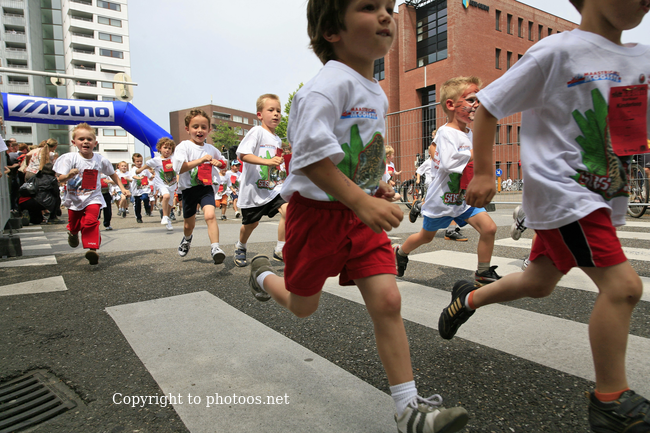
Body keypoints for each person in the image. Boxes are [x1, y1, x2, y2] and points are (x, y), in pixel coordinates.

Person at [247, 2, 469, 433]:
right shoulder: (323, 89)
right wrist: (362, 201)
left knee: (388, 301)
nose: (386, 15)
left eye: (388, 6)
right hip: (317, 216)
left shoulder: (376, 91)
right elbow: (311, 159)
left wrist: (375, 185)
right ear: (332, 30)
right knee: (303, 306)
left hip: (358, 215)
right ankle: (263, 275)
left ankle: (408, 410)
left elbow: (359, 152)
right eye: (369, 7)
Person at [438, 0, 650, 430]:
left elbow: (631, 130)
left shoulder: (640, 58)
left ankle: (468, 297)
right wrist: (484, 171)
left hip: (603, 193)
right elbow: (490, 105)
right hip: (566, 194)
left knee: (538, 283)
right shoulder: (558, 52)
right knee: (624, 288)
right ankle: (610, 399)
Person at [393, 77, 499, 285]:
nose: (476, 105)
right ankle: (400, 252)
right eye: (471, 100)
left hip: (464, 200)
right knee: (425, 237)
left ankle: (483, 271)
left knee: (489, 228)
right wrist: (478, 151)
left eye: (478, 100)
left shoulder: (470, 133)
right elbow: (449, 163)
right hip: (442, 201)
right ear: (450, 105)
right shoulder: (445, 132)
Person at [53, 123, 130, 265]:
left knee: (91, 221)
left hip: (93, 197)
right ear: (74, 142)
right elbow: (60, 179)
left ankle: (92, 249)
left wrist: (122, 188)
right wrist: (68, 175)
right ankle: (73, 233)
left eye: (89, 139)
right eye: (81, 139)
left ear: (95, 143)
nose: (85, 142)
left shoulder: (100, 160)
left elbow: (113, 174)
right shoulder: (69, 158)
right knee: (75, 225)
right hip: (75, 199)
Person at [233, 94, 288, 266]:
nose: (276, 113)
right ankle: (240, 246)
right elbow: (243, 154)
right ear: (259, 115)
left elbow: (275, 163)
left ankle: (280, 248)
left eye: (278, 110)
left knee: (289, 211)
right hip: (254, 190)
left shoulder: (277, 139)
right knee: (251, 224)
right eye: (271, 110)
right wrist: (267, 161)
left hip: (273, 188)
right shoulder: (256, 131)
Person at [171, 108, 227, 263]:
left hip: (206, 187)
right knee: (189, 225)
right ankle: (187, 239)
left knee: (210, 215)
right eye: (195, 127)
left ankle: (215, 248)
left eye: (203, 127)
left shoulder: (211, 149)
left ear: (209, 130)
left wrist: (219, 163)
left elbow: (224, 163)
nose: (199, 130)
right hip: (189, 189)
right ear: (187, 129)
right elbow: (179, 168)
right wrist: (201, 160)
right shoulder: (184, 146)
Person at [143, 137, 178, 231]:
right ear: (160, 148)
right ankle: (165, 216)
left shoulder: (174, 159)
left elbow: (181, 164)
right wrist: (139, 170)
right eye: (165, 147)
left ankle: (167, 219)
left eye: (169, 148)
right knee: (166, 196)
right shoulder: (156, 160)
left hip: (172, 184)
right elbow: (147, 164)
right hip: (161, 184)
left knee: (170, 204)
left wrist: (172, 165)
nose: (167, 150)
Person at [129, 153, 152, 223]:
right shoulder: (134, 169)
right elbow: (133, 176)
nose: (139, 163)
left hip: (144, 189)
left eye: (141, 161)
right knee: (137, 204)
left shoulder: (145, 170)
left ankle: (147, 208)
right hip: (136, 190)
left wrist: (155, 175)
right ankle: (138, 217)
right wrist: (139, 178)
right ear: (134, 162)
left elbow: (150, 176)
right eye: (137, 161)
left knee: (145, 198)